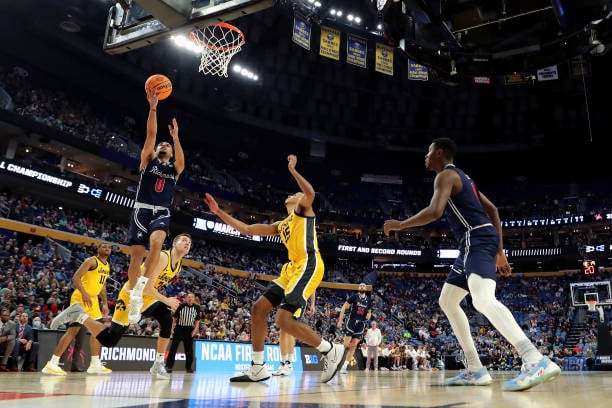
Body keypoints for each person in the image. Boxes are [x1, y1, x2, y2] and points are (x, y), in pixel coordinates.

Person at [383, 137, 561, 391]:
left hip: (474, 239)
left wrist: (399, 225)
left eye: (429, 151)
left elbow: (434, 211)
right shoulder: (466, 178)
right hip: (475, 241)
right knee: (447, 301)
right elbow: (494, 210)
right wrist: (500, 251)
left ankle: (534, 359)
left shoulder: (445, 176)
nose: (425, 156)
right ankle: (476, 369)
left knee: (482, 300)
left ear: (440, 153)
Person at [205, 154, 345, 383]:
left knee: (282, 321)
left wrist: (292, 170)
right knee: (259, 308)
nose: (292, 194)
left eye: (294, 193)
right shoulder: (281, 225)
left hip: (308, 264)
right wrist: (219, 212)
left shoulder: (303, 211)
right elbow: (248, 229)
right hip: (291, 270)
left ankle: (329, 349)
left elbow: (309, 193)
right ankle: (258, 367)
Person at [50, 233, 192, 380]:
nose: (187, 242)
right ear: (174, 244)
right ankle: (79, 315)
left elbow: (152, 288)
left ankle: (158, 363)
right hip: (131, 295)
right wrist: (167, 300)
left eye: (189, 242)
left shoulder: (179, 266)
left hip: (147, 298)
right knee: (110, 340)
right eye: (184, 240)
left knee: (166, 318)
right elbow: (146, 288)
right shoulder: (163, 257)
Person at [126, 90, 185, 324]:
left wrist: (176, 137)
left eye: (166, 145)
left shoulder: (174, 170)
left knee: (158, 243)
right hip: (141, 209)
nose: (163, 145)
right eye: (162, 144)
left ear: (170, 152)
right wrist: (153, 107)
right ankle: (134, 298)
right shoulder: (147, 161)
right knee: (135, 258)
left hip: (161, 211)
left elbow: (182, 161)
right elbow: (151, 133)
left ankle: (141, 285)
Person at [42, 242, 112, 376]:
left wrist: (104, 303)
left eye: (109, 247)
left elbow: (102, 286)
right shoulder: (91, 261)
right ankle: (52, 363)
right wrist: (85, 293)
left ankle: (95, 364)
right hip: (81, 297)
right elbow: (76, 278)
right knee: (73, 331)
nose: (107, 248)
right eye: (104, 246)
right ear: (98, 249)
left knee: (99, 331)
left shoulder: (107, 265)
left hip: (93, 301)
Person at [272, 293, 316, 377]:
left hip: (299, 300)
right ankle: (284, 363)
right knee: (282, 331)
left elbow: (313, 287)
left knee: (288, 329)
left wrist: (313, 304)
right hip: (287, 298)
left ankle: (289, 363)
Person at [337, 282, 372, 374]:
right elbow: (344, 307)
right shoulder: (354, 297)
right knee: (345, 344)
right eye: (361, 285)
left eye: (364, 286)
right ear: (358, 288)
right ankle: (336, 361)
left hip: (361, 324)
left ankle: (345, 366)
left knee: (354, 345)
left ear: (366, 288)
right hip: (351, 321)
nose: (362, 287)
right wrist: (340, 320)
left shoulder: (368, 300)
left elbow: (369, 311)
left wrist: (369, 315)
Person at [165, 292, 201, 373]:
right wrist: (172, 328)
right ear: (186, 298)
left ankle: (188, 368)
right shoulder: (181, 306)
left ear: (194, 299)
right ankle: (169, 366)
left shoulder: (197, 308)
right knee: (173, 348)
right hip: (179, 329)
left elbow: (197, 320)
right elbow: (174, 318)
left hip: (189, 330)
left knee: (189, 350)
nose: (189, 298)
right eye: (188, 297)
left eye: (191, 297)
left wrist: (195, 330)